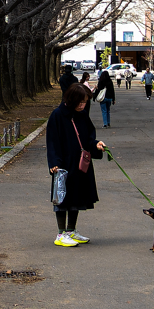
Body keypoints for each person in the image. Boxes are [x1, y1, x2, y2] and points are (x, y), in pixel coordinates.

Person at [46, 82, 107, 247]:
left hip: (80, 164)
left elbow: (88, 137)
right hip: (63, 164)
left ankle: (71, 230)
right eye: (80, 102)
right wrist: (54, 163)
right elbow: (52, 141)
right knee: (62, 197)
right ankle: (60, 233)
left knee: (76, 197)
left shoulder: (82, 115)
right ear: (71, 99)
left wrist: (96, 145)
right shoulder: (57, 115)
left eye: (85, 102)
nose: (82, 105)